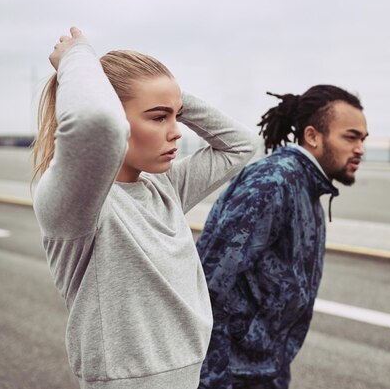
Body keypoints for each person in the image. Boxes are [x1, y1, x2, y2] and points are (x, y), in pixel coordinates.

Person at [31, 27, 258, 389]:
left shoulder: (163, 188)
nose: (177, 131)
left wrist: (169, 98)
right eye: (157, 117)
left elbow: (242, 145)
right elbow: (97, 124)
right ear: (119, 122)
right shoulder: (79, 202)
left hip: (188, 376)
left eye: (176, 116)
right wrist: (78, 58)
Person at [197, 85, 369, 389]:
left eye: (363, 139)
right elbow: (208, 288)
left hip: (267, 371)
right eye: (351, 137)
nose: (360, 149)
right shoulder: (273, 183)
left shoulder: (309, 188)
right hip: (232, 377)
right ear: (313, 136)